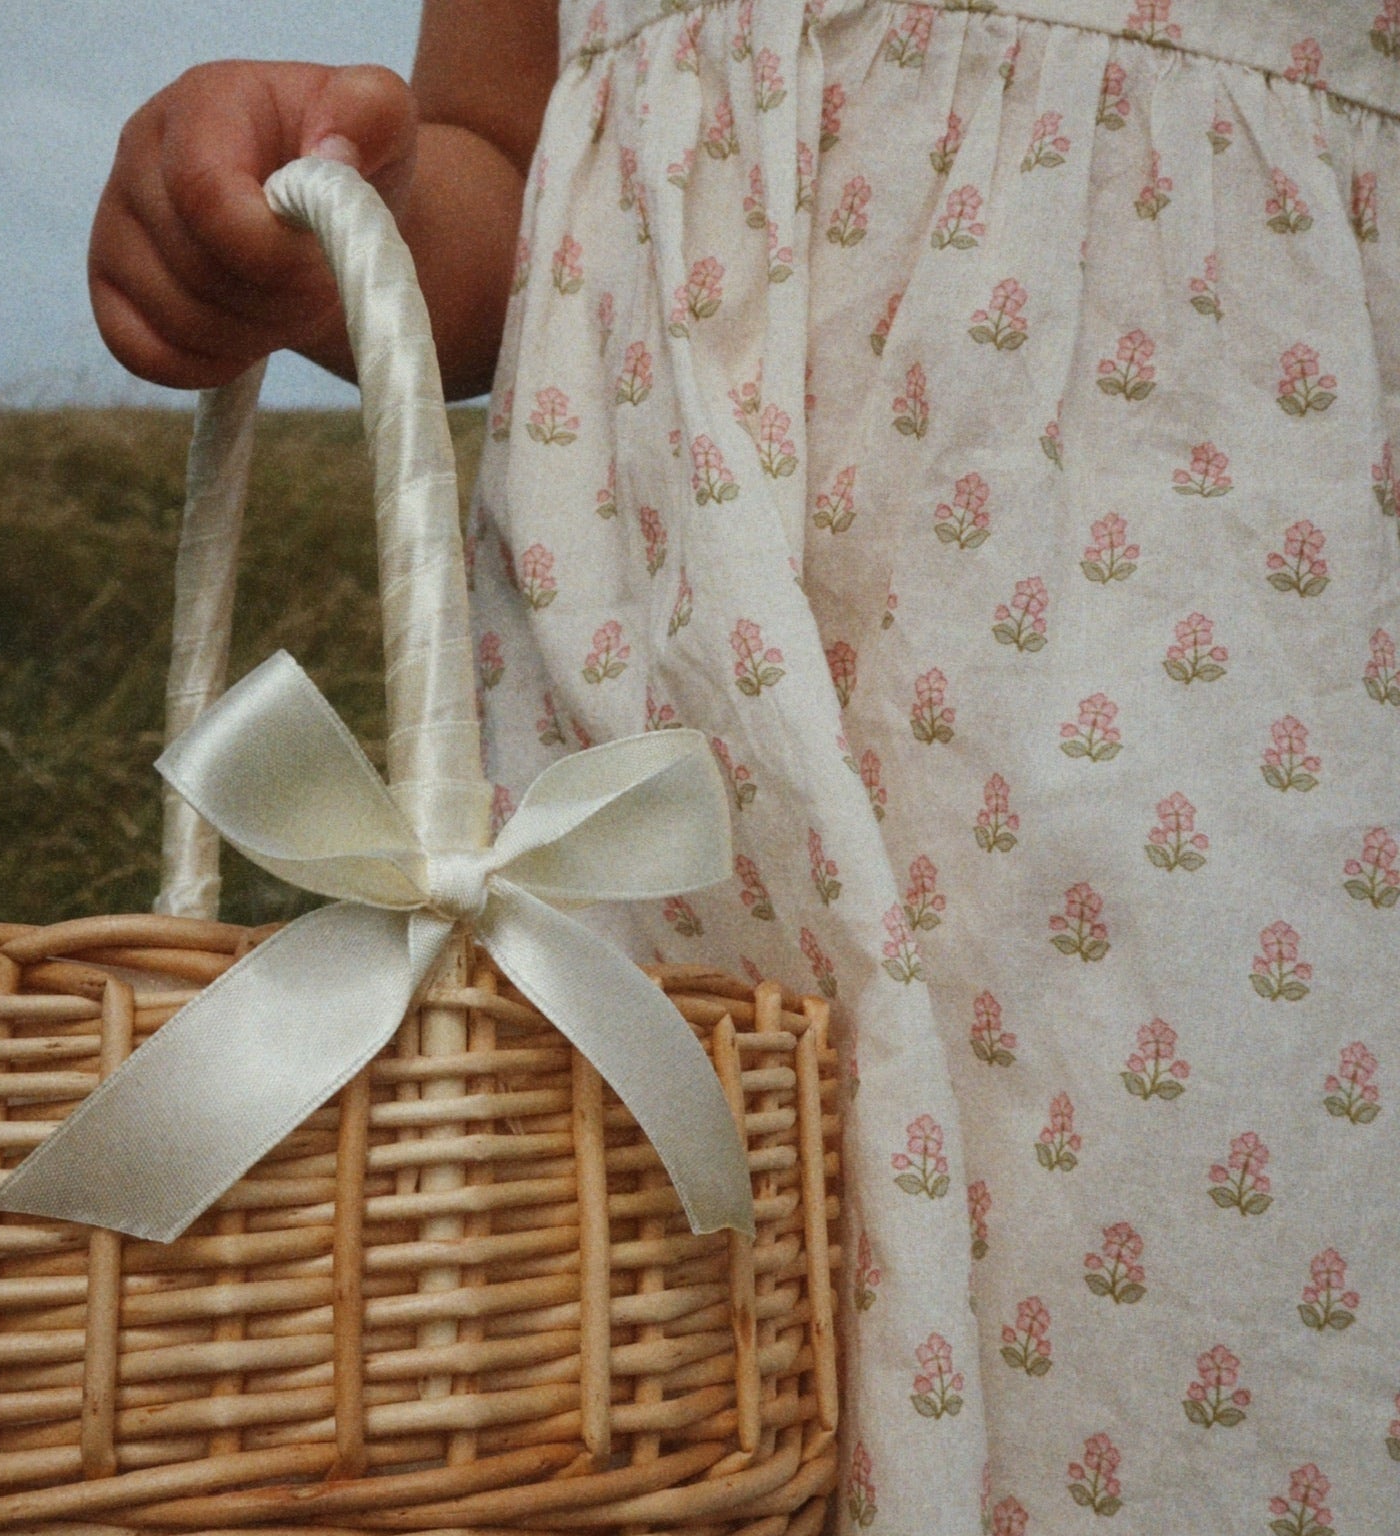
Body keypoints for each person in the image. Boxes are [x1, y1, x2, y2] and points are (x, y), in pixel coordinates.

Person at [93, 3, 1400, 1530]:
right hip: (650, 677)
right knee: (632, 1357)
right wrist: (328, 224)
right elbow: (503, 163)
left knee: (1172, 1326)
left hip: (1194, 635)